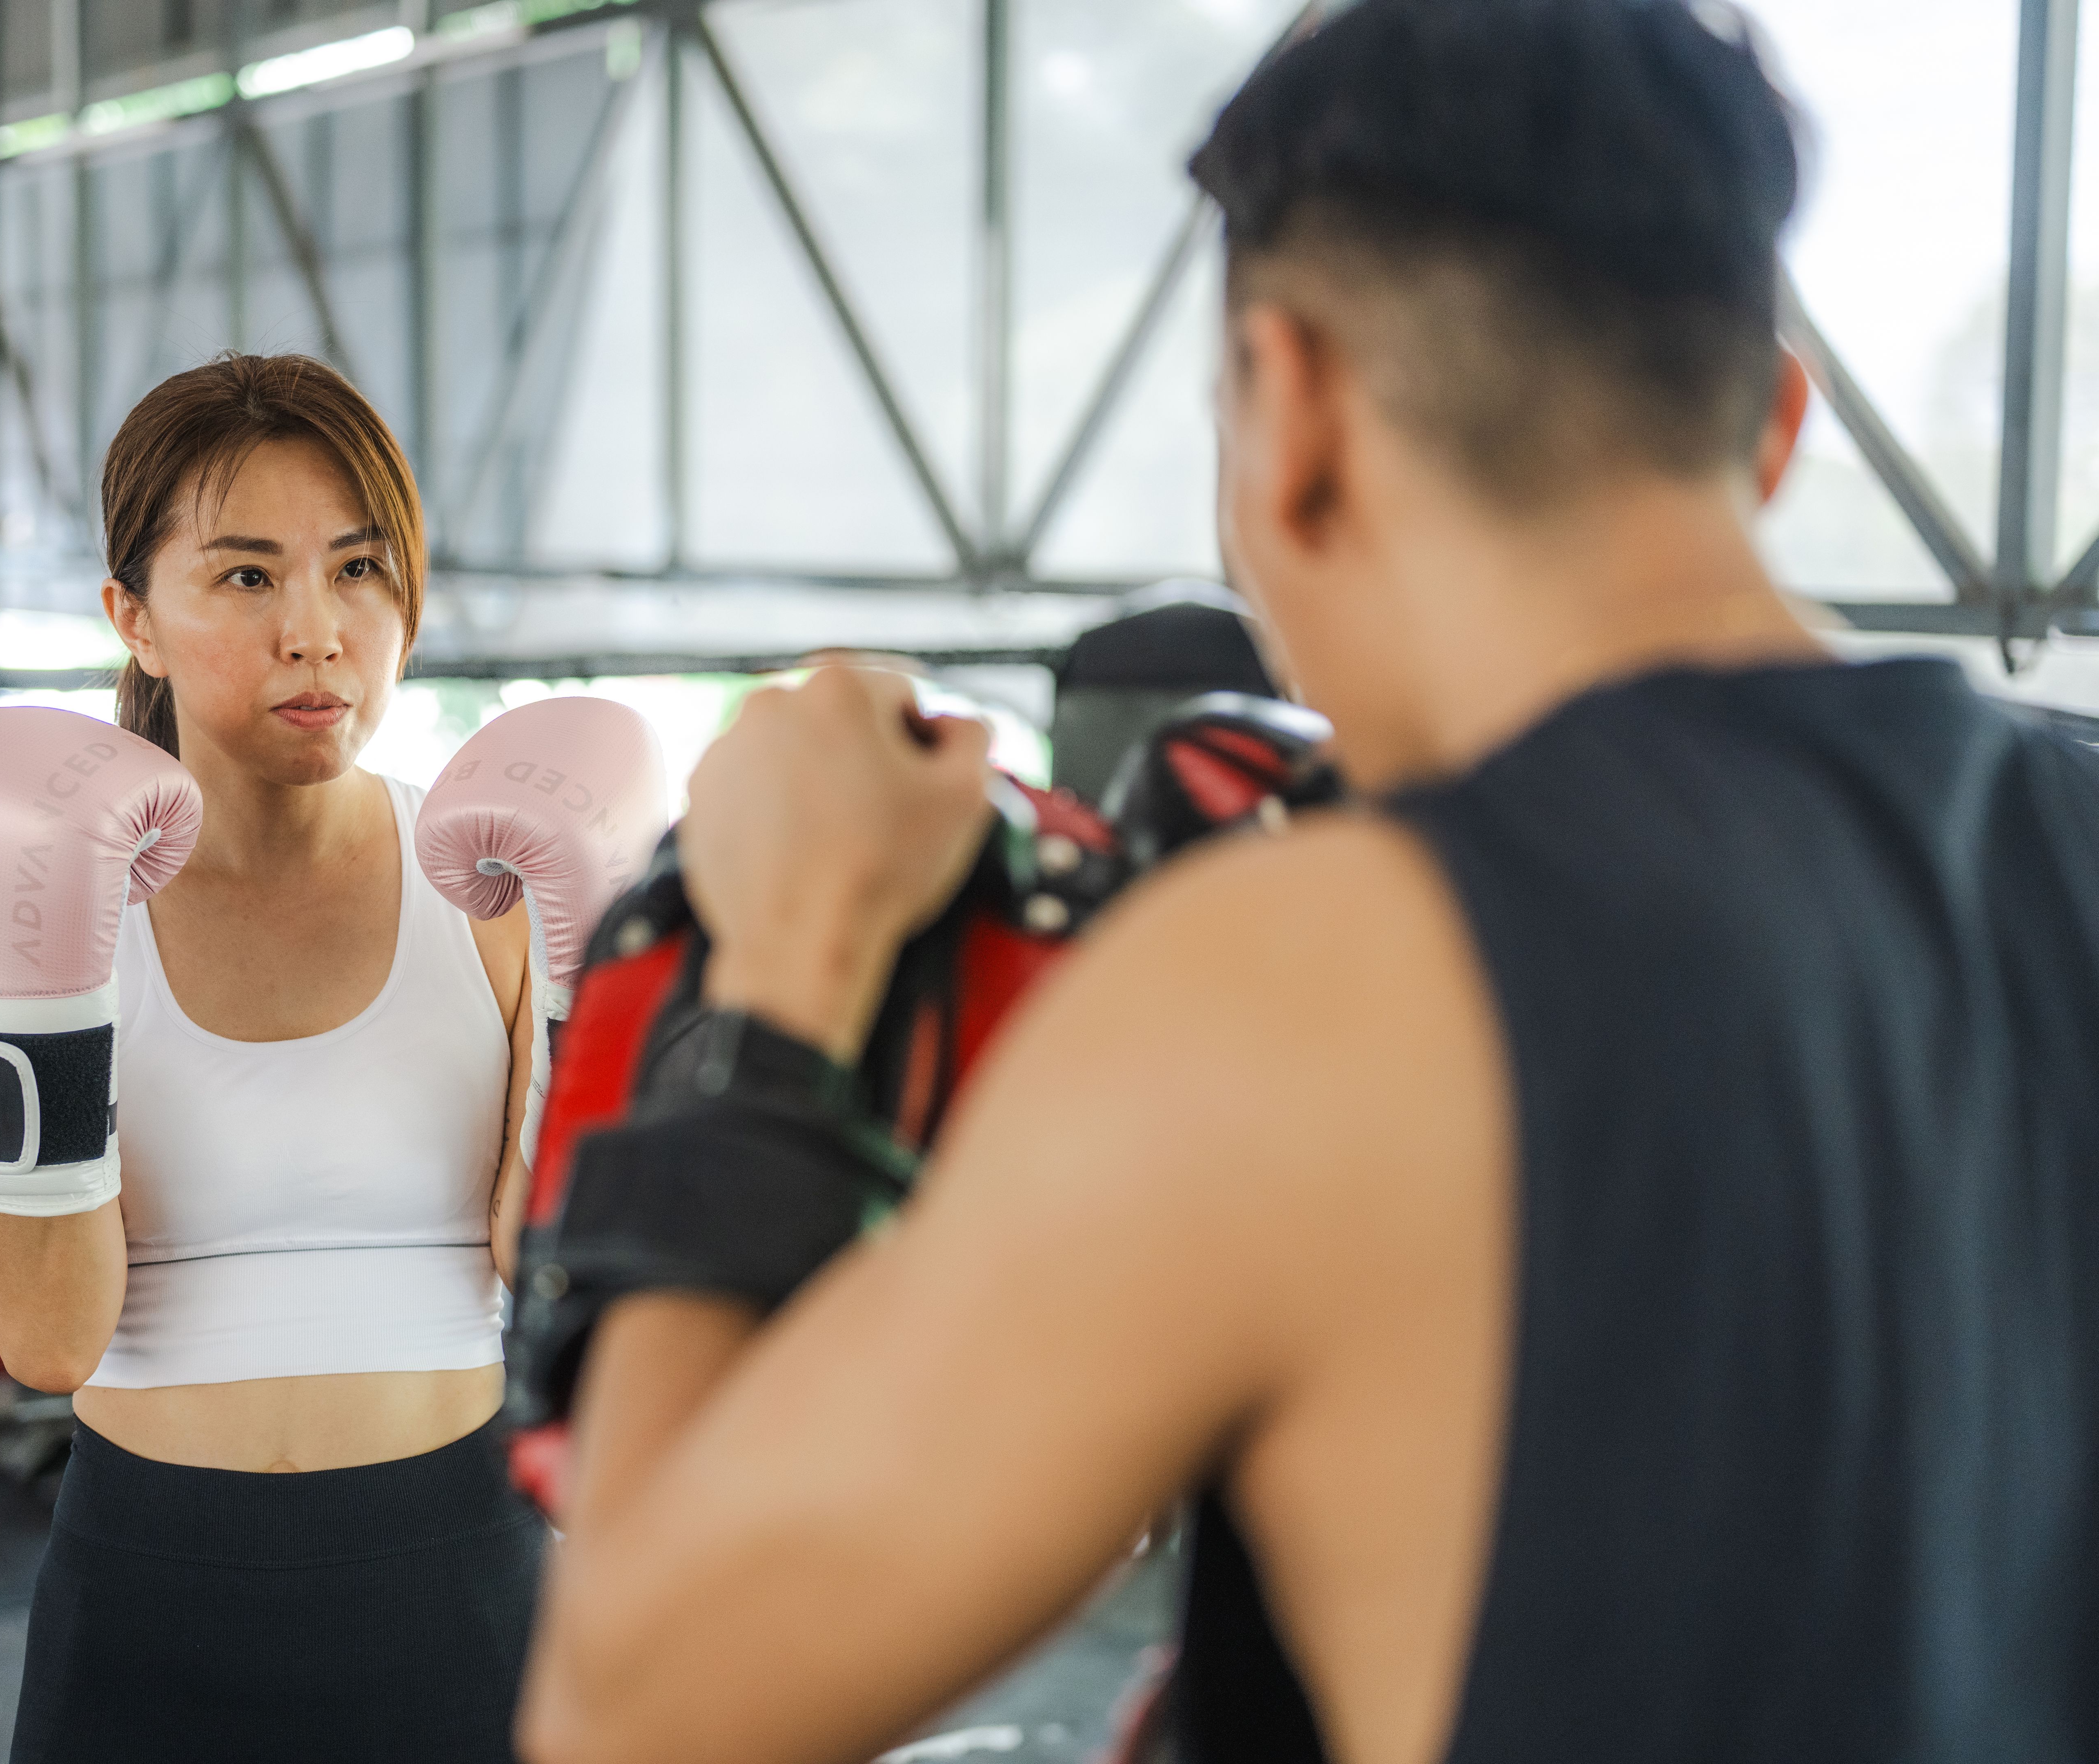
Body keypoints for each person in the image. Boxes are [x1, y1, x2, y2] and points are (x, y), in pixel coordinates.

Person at [513, 4, 2099, 1762]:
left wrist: (788, 964)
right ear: (1778, 423)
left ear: (1296, 406)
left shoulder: (1322, 974)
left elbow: (636, 1710)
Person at [0, 354, 545, 1762]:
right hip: (146, 1595)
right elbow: (47, 1340)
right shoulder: (57, 900)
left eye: (359, 568)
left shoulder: (497, 892)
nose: (317, 633)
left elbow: (558, 1268)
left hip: (458, 1576)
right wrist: (41, 968)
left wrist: (594, 980)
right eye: (243, 577)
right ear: (135, 618)